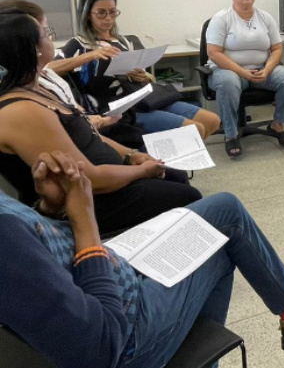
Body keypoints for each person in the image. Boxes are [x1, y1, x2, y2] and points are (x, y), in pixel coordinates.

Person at [0, 150, 284, 368]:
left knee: (220, 218)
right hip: (124, 343)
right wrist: (83, 218)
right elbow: (100, 350)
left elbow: (35, 264)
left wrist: (51, 210)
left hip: (103, 275)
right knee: (221, 233)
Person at [0, 13, 201, 235]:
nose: (51, 38)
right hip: (87, 201)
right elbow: (88, 179)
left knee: (175, 175)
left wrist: (131, 155)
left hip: (103, 181)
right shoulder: (22, 111)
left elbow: (87, 133)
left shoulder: (39, 86)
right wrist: (142, 171)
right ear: (33, 49)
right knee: (189, 198)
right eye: (46, 33)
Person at [50, 0, 221, 140]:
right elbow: (48, 69)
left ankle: (172, 160)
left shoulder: (123, 41)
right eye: (101, 13)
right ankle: (166, 163)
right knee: (195, 129)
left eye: (112, 12)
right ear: (88, 14)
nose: (108, 18)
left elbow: (138, 74)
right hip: (117, 111)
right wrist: (90, 55)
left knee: (212, 121)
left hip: (141, 99)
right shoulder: (79, 43)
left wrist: (140, 76)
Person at [0, 0, 146, 150]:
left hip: (122, 108)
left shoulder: (45, 79)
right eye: (46, 31)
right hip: (104, 115)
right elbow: (80, 148)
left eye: (112, 12)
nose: (108, 18)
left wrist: (129, 155)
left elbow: (81, 123)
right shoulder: (26, 100)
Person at [206, 0, 284, 158]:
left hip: (261, 70)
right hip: (228, 71)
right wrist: (242, 72)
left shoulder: (265, 18)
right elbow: (213, 52)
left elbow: (277, 48)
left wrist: (267, 69)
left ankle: (277, 124)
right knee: (228, 81)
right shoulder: (221, 18)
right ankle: (231, 134)